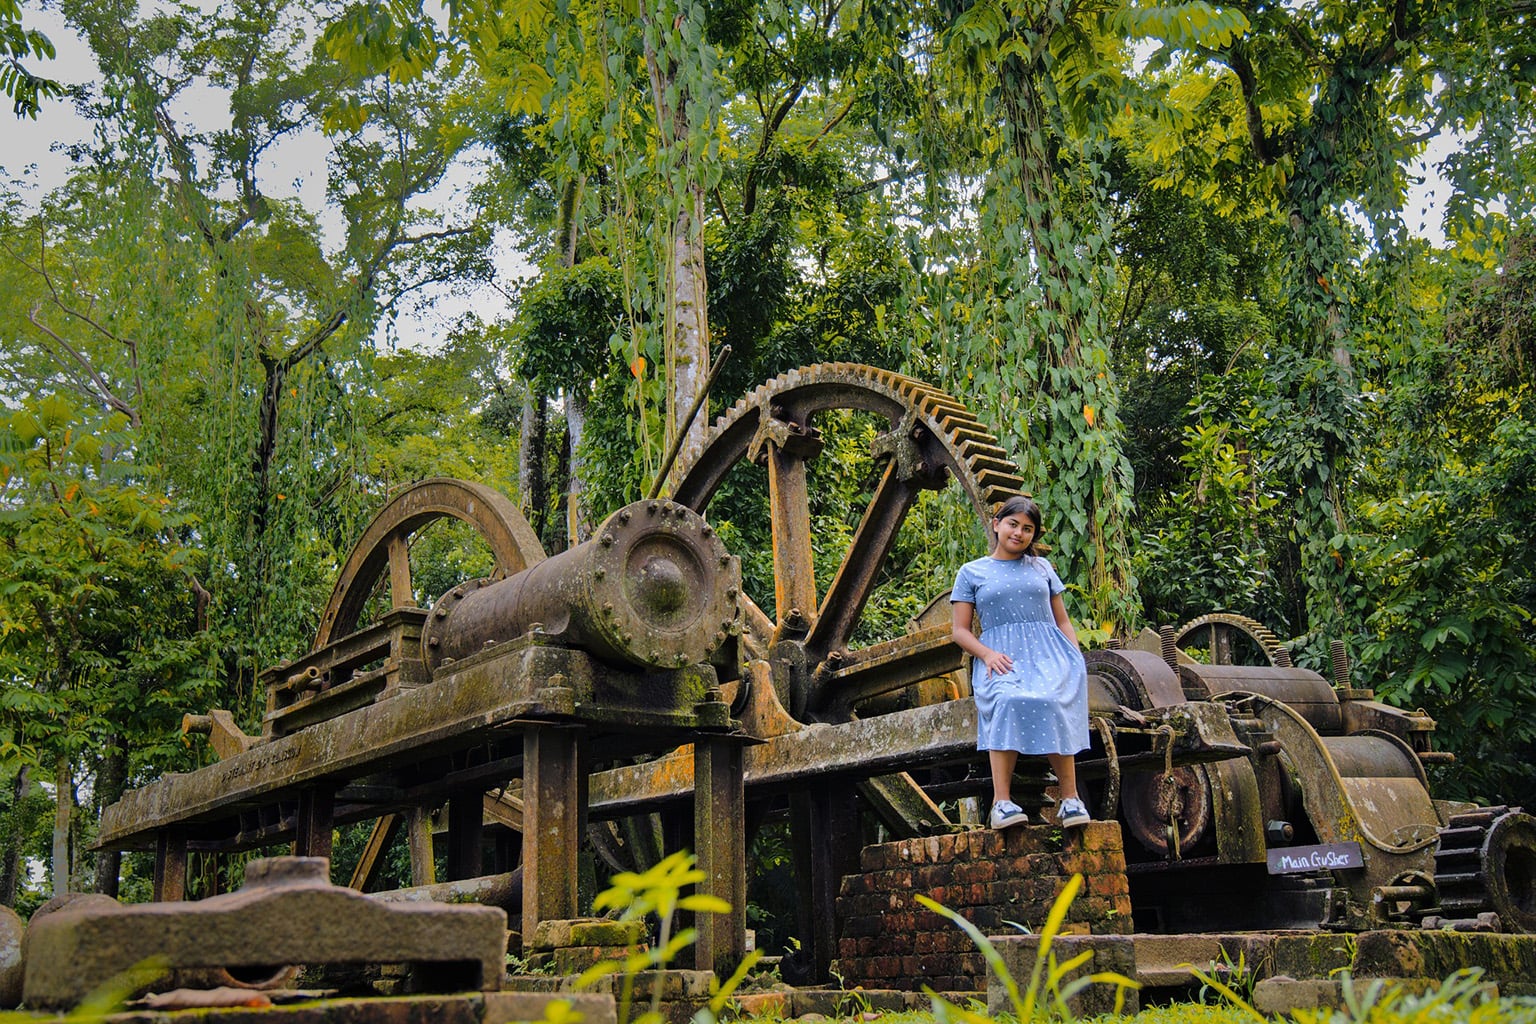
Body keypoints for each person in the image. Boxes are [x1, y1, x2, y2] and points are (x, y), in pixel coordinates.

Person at [951, 495, 1091, 830]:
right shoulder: (972, 572)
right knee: (1007, 701)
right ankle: (1001, 803)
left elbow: (1062, 621)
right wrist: (986, 654)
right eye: (1013, 524)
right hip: (1002, 658)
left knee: (1055, 700)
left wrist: (1075, 657)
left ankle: (1070, 800)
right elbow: (959, 630)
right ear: (997, 524)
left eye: (1028, 529)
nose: (1019, 533)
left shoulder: (1042, 568)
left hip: (1049, 655)